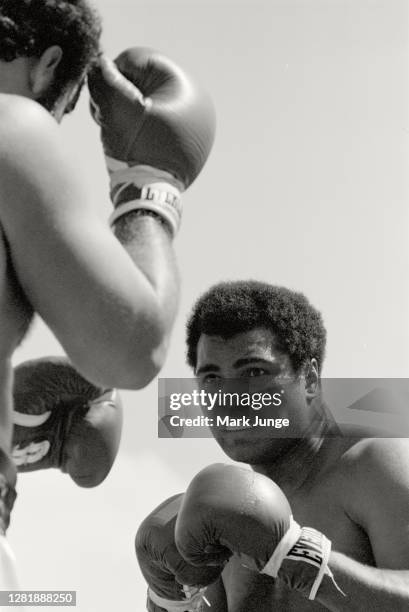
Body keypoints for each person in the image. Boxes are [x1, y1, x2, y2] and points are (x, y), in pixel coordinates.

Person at [0, 0, 215, 590]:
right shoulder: (13, 126)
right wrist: (150, 186)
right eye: (66, 109)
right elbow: (132, 347)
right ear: (48, 65)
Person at [136, 281, 409, 611]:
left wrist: (298, 557)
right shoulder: (219, 514)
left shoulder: (370, 463)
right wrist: (168, 598)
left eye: (253, 371)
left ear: (308, 379)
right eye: (211, 378)